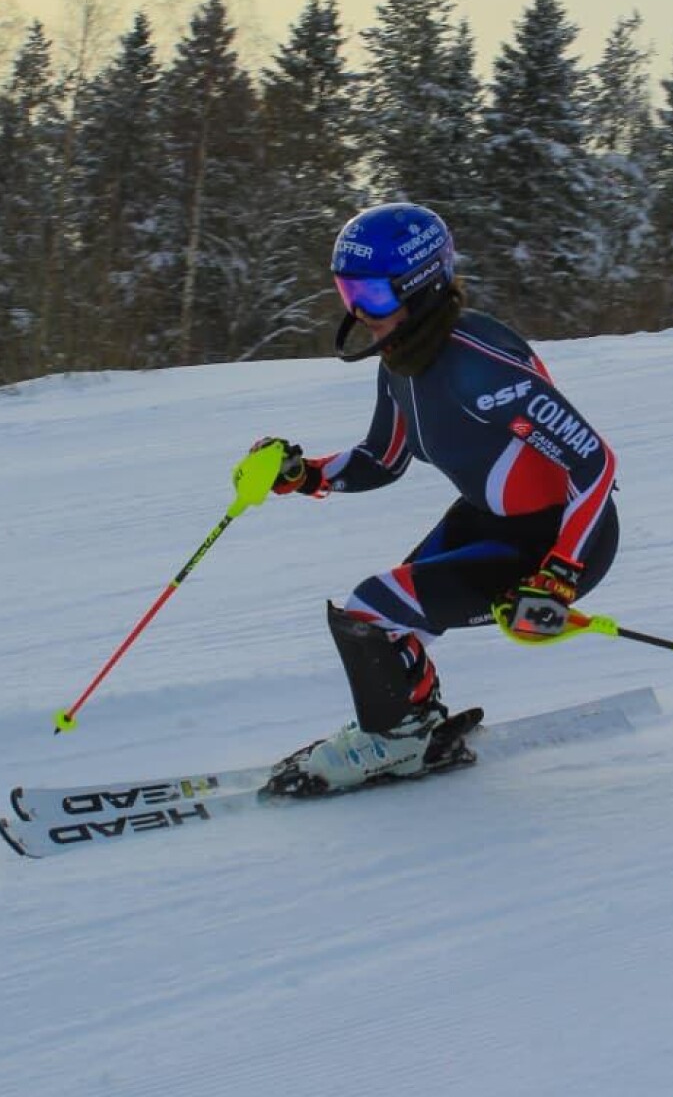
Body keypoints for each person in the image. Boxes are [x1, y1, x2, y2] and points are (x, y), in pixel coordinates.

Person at [256, 201, 619, 795]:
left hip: (557, 540)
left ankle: (396, 739)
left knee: (370, 609)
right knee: (382, 620)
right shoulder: (402, 360)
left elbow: (594, 462)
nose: (358, 312)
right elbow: (383, 459)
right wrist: (306, 475)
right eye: (348, 293)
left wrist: (559, 572)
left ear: (419, 286)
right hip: (489, 519)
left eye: (371, 295)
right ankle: (407, 724)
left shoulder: (480, 367)